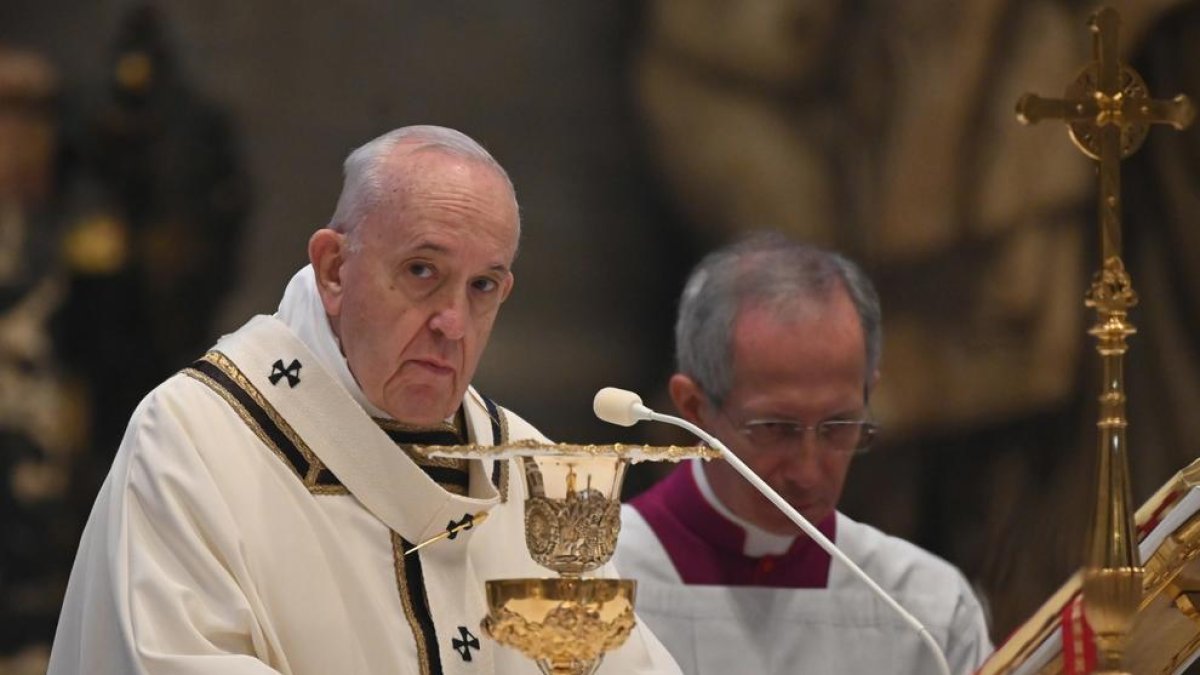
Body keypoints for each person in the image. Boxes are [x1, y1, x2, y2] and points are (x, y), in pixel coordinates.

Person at [48, 125, 681, 675]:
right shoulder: (194, 441)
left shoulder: (529, 473)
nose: (453, 323)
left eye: (482, 286)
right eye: (421, 272)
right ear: (332, 269)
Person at [613, 231, 992, 674]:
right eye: (775, 428)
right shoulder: (597, 582)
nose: (809, 473)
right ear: (695, 409)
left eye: (838, 426)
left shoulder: (926, 605)